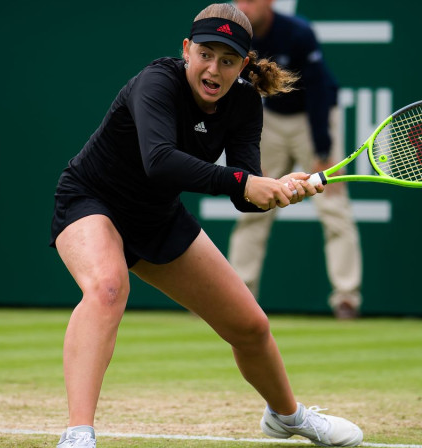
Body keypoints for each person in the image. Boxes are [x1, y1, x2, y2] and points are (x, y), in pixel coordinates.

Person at [49, 3, 363, 448]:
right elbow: (159, 161)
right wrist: (248, 182)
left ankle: (286, 416)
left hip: (157, 218)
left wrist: (279, 189)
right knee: (107, 288)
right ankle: (78, 435)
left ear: (244, 65)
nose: (214, 69)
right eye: (205, 54)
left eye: (229, 60)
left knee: (250, 326)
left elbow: (244, 194)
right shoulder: (156, 82)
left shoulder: (244, 103)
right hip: (91, 199)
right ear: (186, 50)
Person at [229, 0, 363, 319]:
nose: (243, 6)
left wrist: (321, 150)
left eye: (251, 0)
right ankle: (236, 296)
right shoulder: (238, 36)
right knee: (253, 206)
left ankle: (346, 297)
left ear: (269, 3)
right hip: (271, 122)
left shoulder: (299, 33)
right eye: (239, 0)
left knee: (333, 207)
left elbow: (318, 90)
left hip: (313, 119)